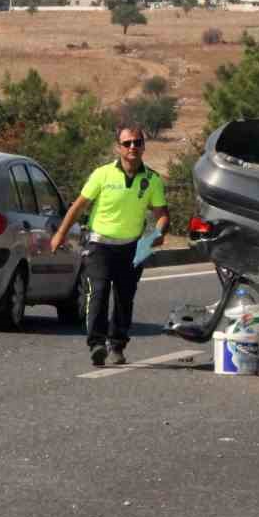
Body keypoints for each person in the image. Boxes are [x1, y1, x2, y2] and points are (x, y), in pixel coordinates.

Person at [49, 124, 169, 367]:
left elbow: (162, 214)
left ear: (143, 146)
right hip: (100, 245)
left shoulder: (152, 179)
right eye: (127, 143)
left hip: (132, 247)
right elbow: (78, 206)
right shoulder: (102, 174)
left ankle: (117, 345)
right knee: (98, 292)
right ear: (119, 148)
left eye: (137, 142)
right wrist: (60, 233)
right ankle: (96, 344)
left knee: (125, 298)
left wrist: (158, 232)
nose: (132, 147)